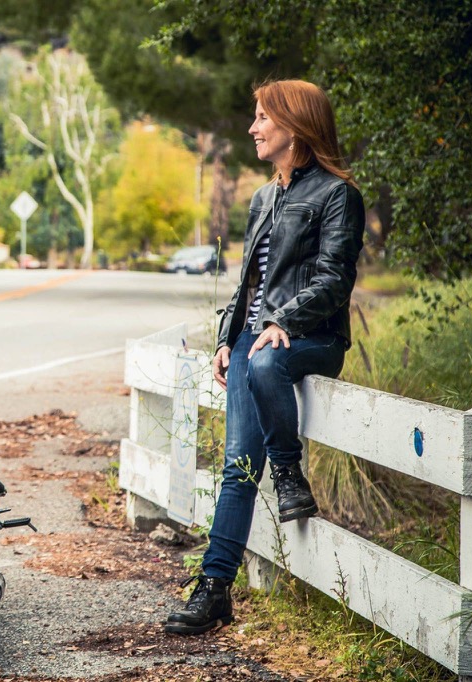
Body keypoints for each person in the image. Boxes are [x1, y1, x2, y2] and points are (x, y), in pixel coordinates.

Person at [164, 79, 366, 635]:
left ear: (294, 125)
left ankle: (288, 471)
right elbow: (247, 285)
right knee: (236, 467)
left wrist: (283, 323)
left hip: (311, 337)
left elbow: (332, 282)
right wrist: (228, 337)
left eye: (262, 119)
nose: (252, 128)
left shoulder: (336, 195)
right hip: (254, 345)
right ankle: (214, 589)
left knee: (268, 363)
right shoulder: (262, 197)